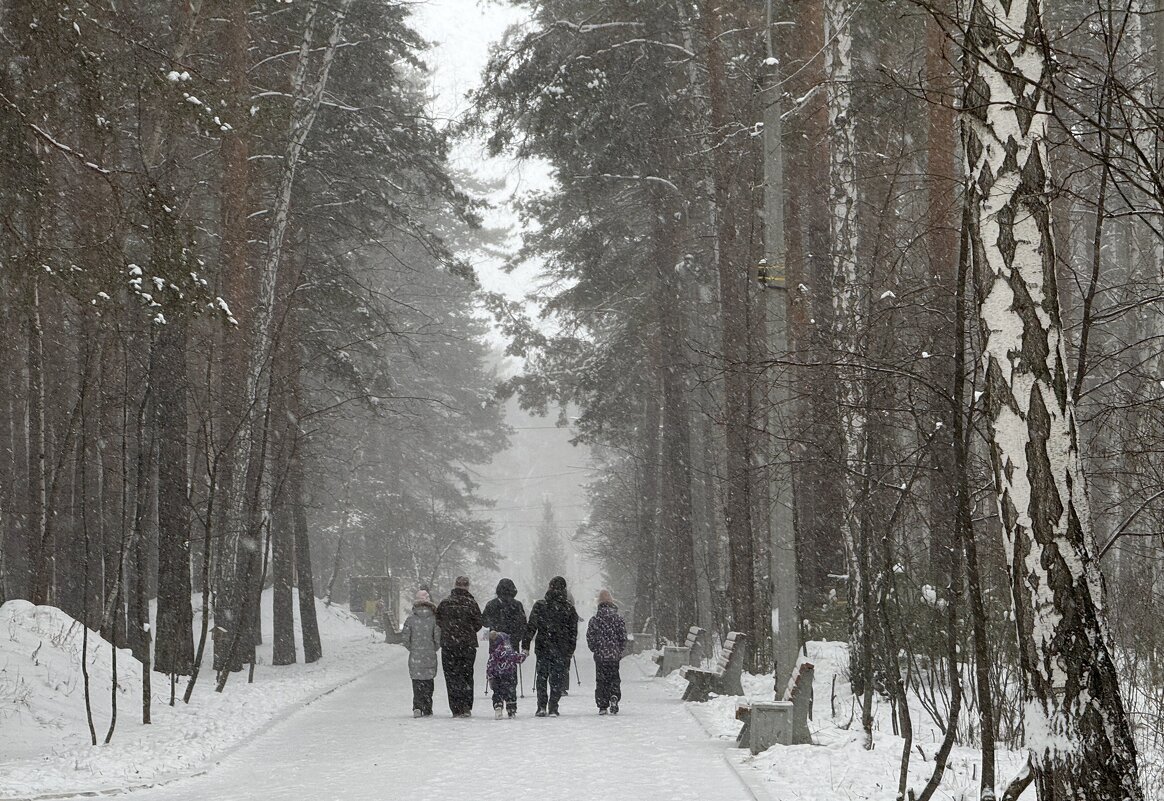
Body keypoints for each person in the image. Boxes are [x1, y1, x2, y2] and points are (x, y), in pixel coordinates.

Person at [523, 575, 579, 717]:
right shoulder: (569, 608)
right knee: (557, 678)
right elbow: (573, 632)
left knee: (542, 676)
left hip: (543, 646)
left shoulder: (540, 606)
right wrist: (571, 649)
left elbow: (531, 627)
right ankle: (553, 706)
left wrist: (526, 644)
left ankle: (541, 706)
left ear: (549, 587)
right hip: (561, 648)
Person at [436, 576, 482, 717]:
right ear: (467, 586)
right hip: (467, 645)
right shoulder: (471, 603)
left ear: (455, 585)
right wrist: (467, 630)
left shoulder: (445, 603)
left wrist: (450, 631)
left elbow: (438, 621)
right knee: (467, 674)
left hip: (449, 645)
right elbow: (479, 623)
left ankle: (455, 708)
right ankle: (466, 706)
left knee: (451, 676)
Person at [586, 589, 627, 715]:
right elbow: (623, 637)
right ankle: (614, 695)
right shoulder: (618, 619)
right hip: (614, 655)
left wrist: (595, 648)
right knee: (614, 677)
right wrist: (619, 649)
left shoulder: (595, 619)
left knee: (601, 680)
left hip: (600, 655)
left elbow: (590, 637)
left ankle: (603, 705)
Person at [400, 590, 441, 717]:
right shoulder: (434, 619)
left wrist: (413, 648)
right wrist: (433, 648)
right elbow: (438, 638)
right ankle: (427, 706)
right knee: (429, 681)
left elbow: (405, 639)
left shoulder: (410, 619)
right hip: (429, 655)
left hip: (415, 656)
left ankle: (417, 706)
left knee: (417, 682)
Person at [485, 629, 527, 718]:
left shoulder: (494, 654)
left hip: (496, 677)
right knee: (511, 693)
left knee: (497, 692)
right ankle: (511, 709)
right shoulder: (510, 653)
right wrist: (524, 654)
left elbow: (490, 665)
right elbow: (519, 658)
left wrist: (489, 676)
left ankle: (498, 706)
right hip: (509, 676)